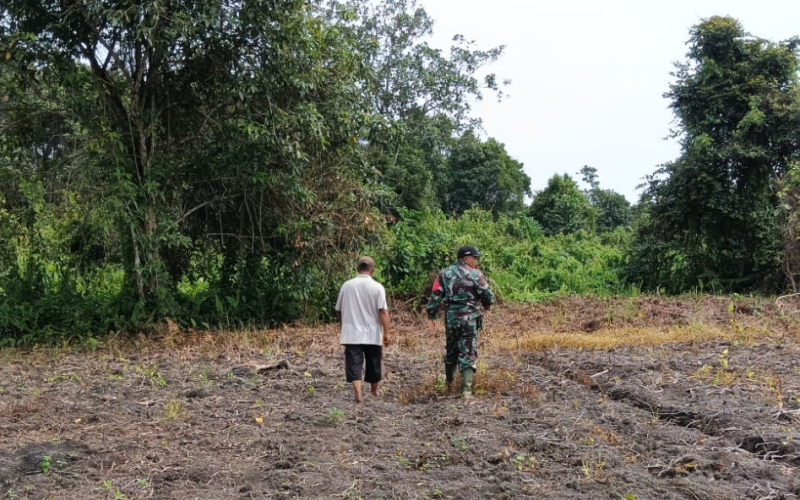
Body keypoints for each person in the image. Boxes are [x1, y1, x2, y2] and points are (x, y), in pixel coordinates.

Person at [426, 245, 495, 399]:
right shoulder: (475, 274)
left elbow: (436, 295)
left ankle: (449, 384)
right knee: (468, 350)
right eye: (474, 258)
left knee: (451, 348)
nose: (476, 261)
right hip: (470, 319)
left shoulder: (444, 274)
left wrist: (431, 315)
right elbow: (488, 294)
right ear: (466, 258)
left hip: (451, 319)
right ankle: (466, 390)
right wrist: (487, 305)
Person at [335, 256, 391, 403]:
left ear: (357, 269)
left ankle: (358, 394)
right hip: (372, 333)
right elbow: (383, 312)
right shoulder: (378, 287)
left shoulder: (346, 286)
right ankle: (374, 391)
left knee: (354, 363)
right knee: (374, 362)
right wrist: (387, 333)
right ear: (372, 271)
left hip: (352, 333)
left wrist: (344, 325)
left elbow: (338, 310)